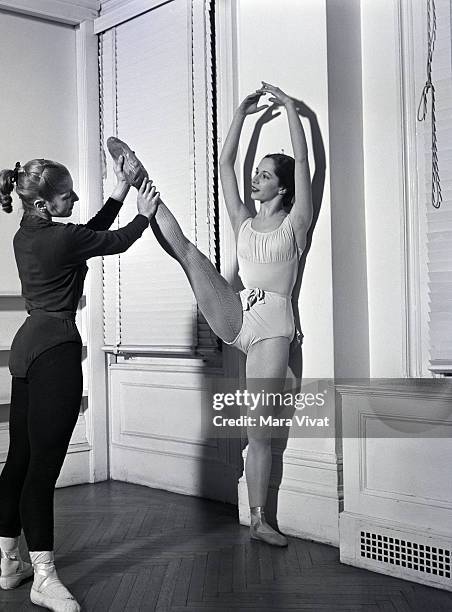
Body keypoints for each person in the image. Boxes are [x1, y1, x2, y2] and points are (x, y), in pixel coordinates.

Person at [110, 82, 313, 547]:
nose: (254, 179)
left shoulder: (296, 221)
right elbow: (224, 163)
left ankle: (260, 519)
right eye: (256, 173)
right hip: (238, 310)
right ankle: (141, 181)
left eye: (264, 175)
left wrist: (287, 111)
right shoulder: (243, 218)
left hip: (274, 327)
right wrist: (242, 115)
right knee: (187, 253)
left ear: (282, 186)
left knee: (257, 431)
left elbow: (304, 165)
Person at [0, 156, 159, 610]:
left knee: (19, 460)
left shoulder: (28, 233)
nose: (76, 199)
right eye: (68, 196)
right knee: (42, 469)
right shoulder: (62, 238)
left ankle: (11, 563)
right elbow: (114, 240)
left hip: (25, 346)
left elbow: (86, 234)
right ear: (44, 203)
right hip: (55, 351)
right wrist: (146, 213)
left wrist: (121, 191)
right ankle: (43, 578)